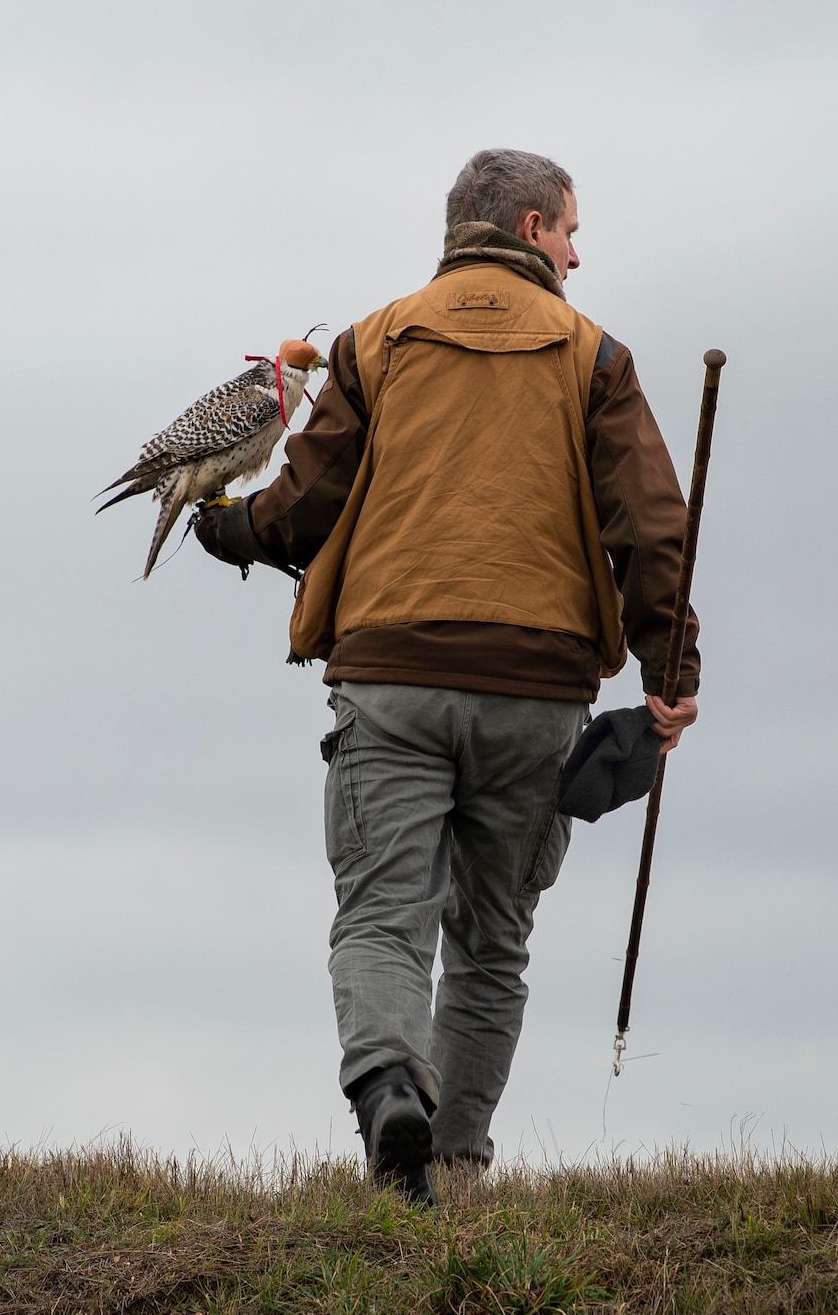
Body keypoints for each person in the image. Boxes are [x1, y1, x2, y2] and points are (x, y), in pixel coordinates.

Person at [195, 148, 700, 1202]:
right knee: (491, 938)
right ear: (527, 231)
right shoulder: (594, 354)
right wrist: (669, 669)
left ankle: (389, 1097)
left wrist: (235, 530)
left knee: (383, 914)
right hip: (538, 689)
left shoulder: (372, 341)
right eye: (569, 229)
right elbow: (651, 529)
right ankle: (458, 1168)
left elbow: (304, 497)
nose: (577, 249)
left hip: (390, 675)